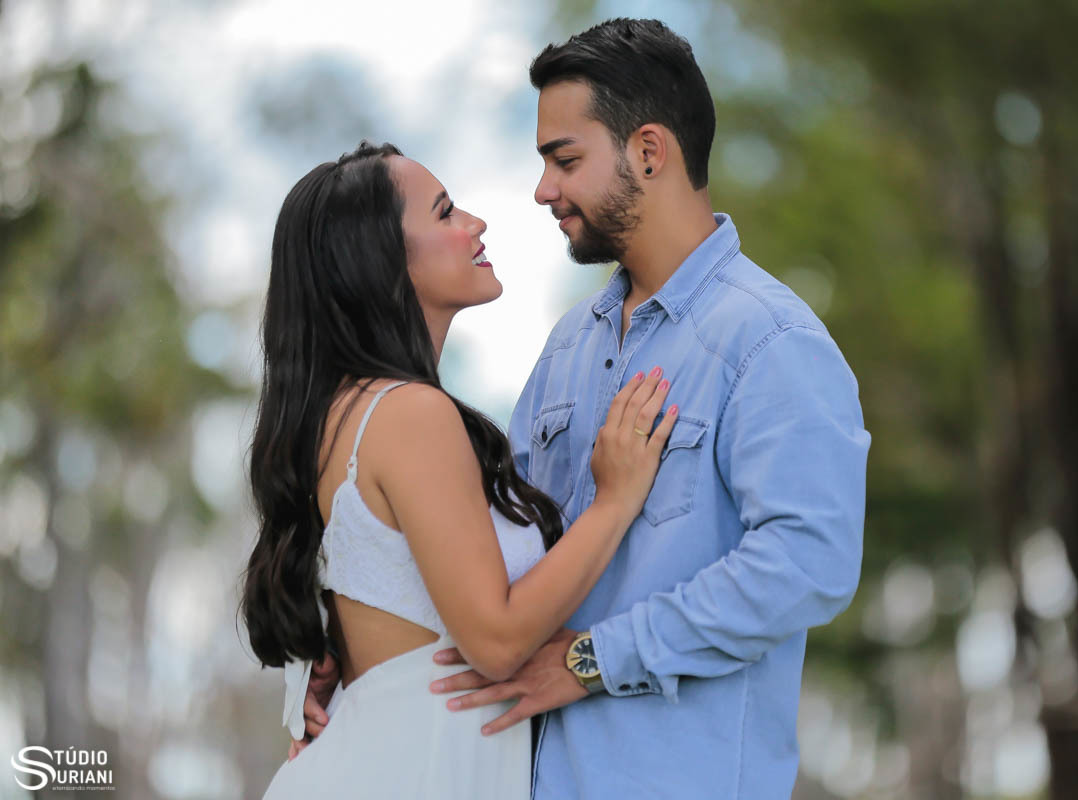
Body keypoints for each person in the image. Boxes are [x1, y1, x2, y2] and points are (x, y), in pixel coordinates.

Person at [426, 19, 872, 798]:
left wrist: (595, 659)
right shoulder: (567, 345)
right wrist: (361, 653)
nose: (543, 190)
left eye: (565, 160)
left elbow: (809, 565)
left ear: (650, 152)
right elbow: (498, 542)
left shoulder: (772, 342)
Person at [241, 141, 679, 798]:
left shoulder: (342, 415)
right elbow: (496, 642)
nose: (474, 223)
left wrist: (321, 669)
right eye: (445, 213)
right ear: (381, 262)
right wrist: (615, 501)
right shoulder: (411, 414)